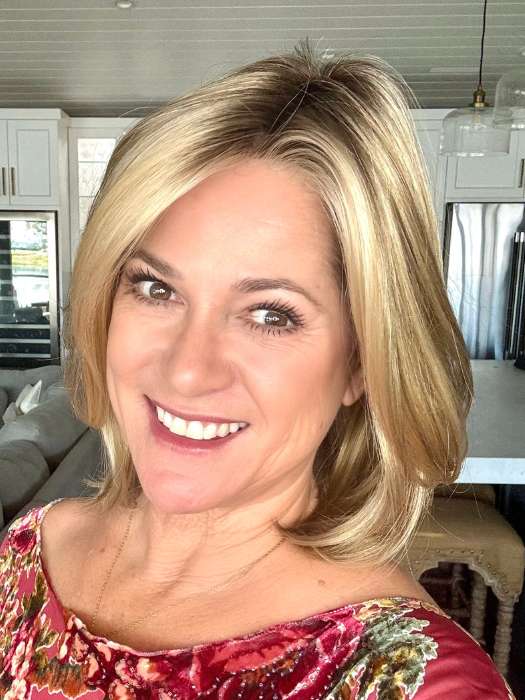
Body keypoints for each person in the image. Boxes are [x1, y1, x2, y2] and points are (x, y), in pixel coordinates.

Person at [0, 40, 515, 699]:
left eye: (271, 314)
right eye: (156, 289)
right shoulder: (30, 551)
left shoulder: (416, 682)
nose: (187, 372)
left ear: (361, 361)